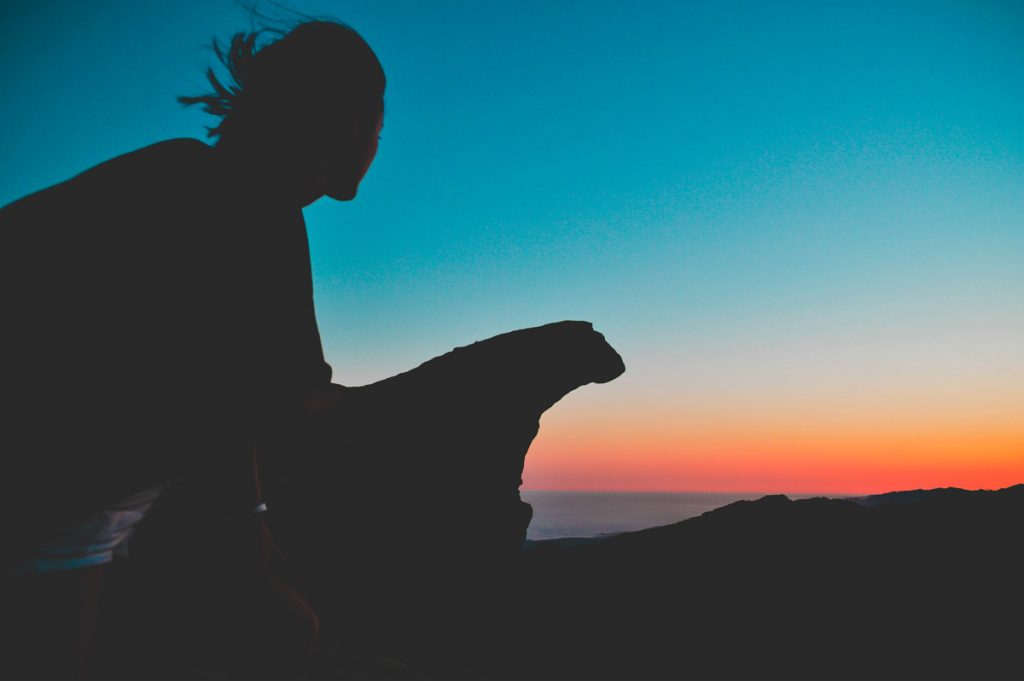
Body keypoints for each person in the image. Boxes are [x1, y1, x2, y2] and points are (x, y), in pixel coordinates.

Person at [0, 19, 385, 677]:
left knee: (284, 626)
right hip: (53, 500)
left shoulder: (208, 181)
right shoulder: (243, 202)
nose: (376, 137)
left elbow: (241, 401)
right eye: (373, 116)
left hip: (111, 490)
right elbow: (290, 404)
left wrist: (253, 526)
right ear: (330, 117)